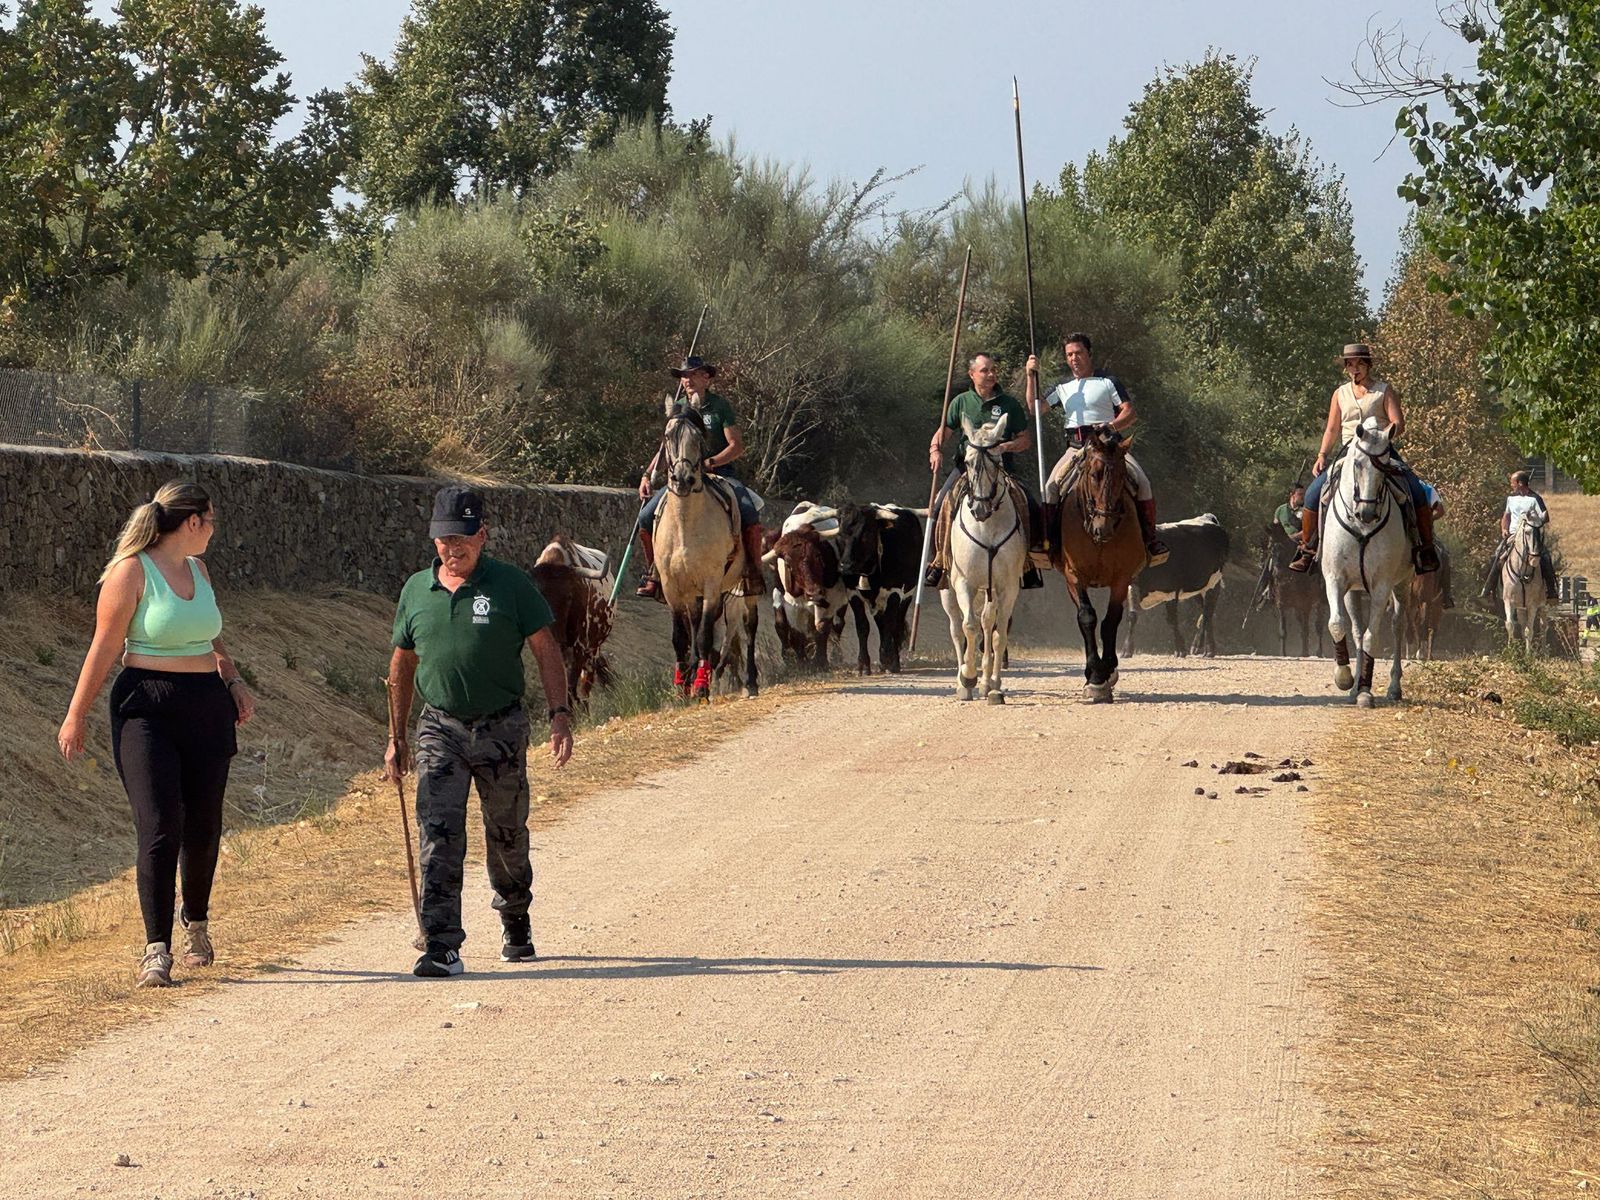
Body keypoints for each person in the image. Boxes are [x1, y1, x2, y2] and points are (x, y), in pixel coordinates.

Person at [56, 482, 255, 988]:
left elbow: (210, 636)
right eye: (211, 521)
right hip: (145, 706)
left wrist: (232, 681)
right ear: (192, 522)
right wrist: (75, 714)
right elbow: (103, 646)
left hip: (207, 703)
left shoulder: (199, 570)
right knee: (161, 823)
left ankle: (198, 921)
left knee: (204, 823)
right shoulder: (131, 572)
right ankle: (156, 948)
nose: (214, 530)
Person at [385, 486, 575, 978]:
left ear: (482, 535)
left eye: (462, 537)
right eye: (444, 539)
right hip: (439, 728)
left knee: (506, 833)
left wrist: (560, 713)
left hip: (501, 726)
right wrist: (396, 736)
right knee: (439, 834)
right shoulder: (415, 591)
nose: (453, 548)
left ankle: (515, 918)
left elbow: (546, 649)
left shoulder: (511, 585)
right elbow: (402, 664)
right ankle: (442, 944)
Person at [1290, 343, 1440, 574]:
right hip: (1349, 453)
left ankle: (1424, 549)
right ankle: (1308, 550)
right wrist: (1322, 455)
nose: (1354, 369)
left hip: (1380, 450)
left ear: (1368, 366)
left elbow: (1398, 423)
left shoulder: (1384, 391)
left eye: (1359, 364)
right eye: (1350, 364)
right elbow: (1332, 429)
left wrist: (1383, 435)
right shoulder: (1339, 394)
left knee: (1416, 490)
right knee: (1312, 494)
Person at [1028, 332, 1169, 565]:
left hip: (1107, 447)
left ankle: (1150, 540)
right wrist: (1031, 375)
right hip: (1075, 448)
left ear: (1089, 354)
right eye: (1069, 355)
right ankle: (1049, 543)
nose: (1074, 358)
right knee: (1050, 488)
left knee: (1142, 482)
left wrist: (1111, 425)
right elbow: (1036, 409)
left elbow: (1129, 412)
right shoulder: (1062, 387)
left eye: (1078, 353)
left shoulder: (1107, 381)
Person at [635, 356, 765, 600]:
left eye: (693, 374)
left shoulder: (720, 406)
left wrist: (709, 463)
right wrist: (647, 476)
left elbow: (736, 446)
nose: (687, 380)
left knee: (748, 512)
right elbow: (666, 448)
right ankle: (655, 573)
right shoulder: (679, 407)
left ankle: (753, 571)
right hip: (682, 476)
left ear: (706, 378)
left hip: (719, 474)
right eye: (684, 376)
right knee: (644, 516)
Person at [922, 351, 1045, 590]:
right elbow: (944, 431)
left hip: (1000, 468)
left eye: (993, 370)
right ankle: (938, 561)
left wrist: (1008, 446)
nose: (990, 375)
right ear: (972, 374)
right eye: (984, 370)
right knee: (938, 507)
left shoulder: (1009, 403)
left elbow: (1025, 439)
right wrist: (934, 450)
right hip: (966, 468)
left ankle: (1029, 564)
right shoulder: (960, 402)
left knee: (1029, 504)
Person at [1479, 470, 1559, 602]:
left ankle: (1551, 591)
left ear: (1520, 483)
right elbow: (1506, 516)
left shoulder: (1535, 498)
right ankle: (1488, 589)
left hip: (1530, 535)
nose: (1511, 485)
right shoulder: (1511, 498)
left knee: (1544, 557)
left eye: (1513, 482)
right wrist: (1504, 528)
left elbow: (1545, 518)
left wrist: (1533, 519)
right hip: (1513, 535)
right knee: (1497, 554)